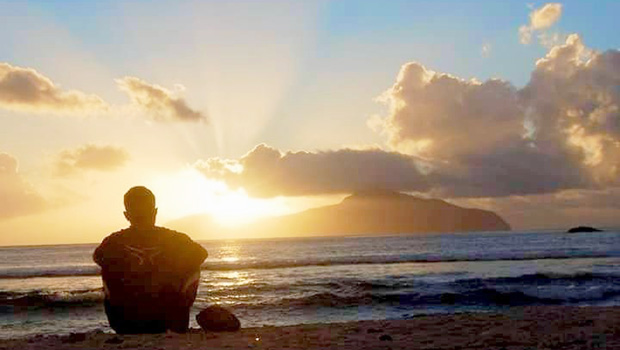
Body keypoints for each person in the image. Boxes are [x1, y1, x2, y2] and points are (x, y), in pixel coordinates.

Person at [93, 186, 207, 334]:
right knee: (194, 266)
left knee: (107, 265)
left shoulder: (113, 242)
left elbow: (98, 257)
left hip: (126, 323)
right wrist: (170, 266)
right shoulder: (176, 239)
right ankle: (175, 315)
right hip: (170, 320)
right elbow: (201, 254)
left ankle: (125, 314)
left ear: (126, 215)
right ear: (155, 212)